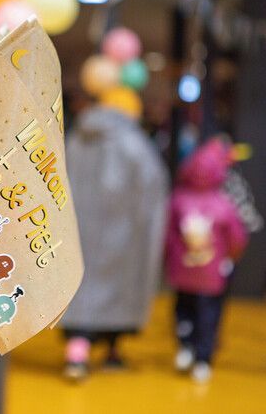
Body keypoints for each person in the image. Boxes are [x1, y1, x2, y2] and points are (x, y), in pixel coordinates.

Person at [60, 87, 169, 380]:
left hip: (76, 229)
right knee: (116, 292)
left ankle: (77, 351)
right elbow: (152, 192)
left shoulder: (75, 138)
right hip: (121, 236)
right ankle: (111, 351)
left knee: (79, 288)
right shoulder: (135, 144)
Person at [164, 138, 248, 383]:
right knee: (208, 315)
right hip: (213, 274)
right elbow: (236, 239)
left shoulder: (178, 199)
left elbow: (168, 237)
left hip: (182, 271)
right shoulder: (224, 204)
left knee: (183, 310)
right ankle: (203, 358)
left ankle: (186, 347)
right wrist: (230, 259)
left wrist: (169, 261)